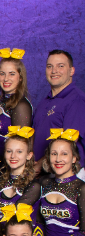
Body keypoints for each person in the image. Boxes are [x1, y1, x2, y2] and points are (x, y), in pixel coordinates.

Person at [32, 50, 85, 178]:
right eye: (49, 66)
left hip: (68, 175)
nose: (54, 71)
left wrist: (38, 166)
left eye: (60, 66)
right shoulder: (44, 101)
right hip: (44, 174)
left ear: (71, 71)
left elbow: (68, 143)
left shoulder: (76, 99)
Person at [0, 48, 32, 174]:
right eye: (2, 73)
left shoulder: (21, 105)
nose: (6, 79)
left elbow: (20, 147)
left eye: (12, 74)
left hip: (5, 169)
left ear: (20, 77)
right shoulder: (0, 101)